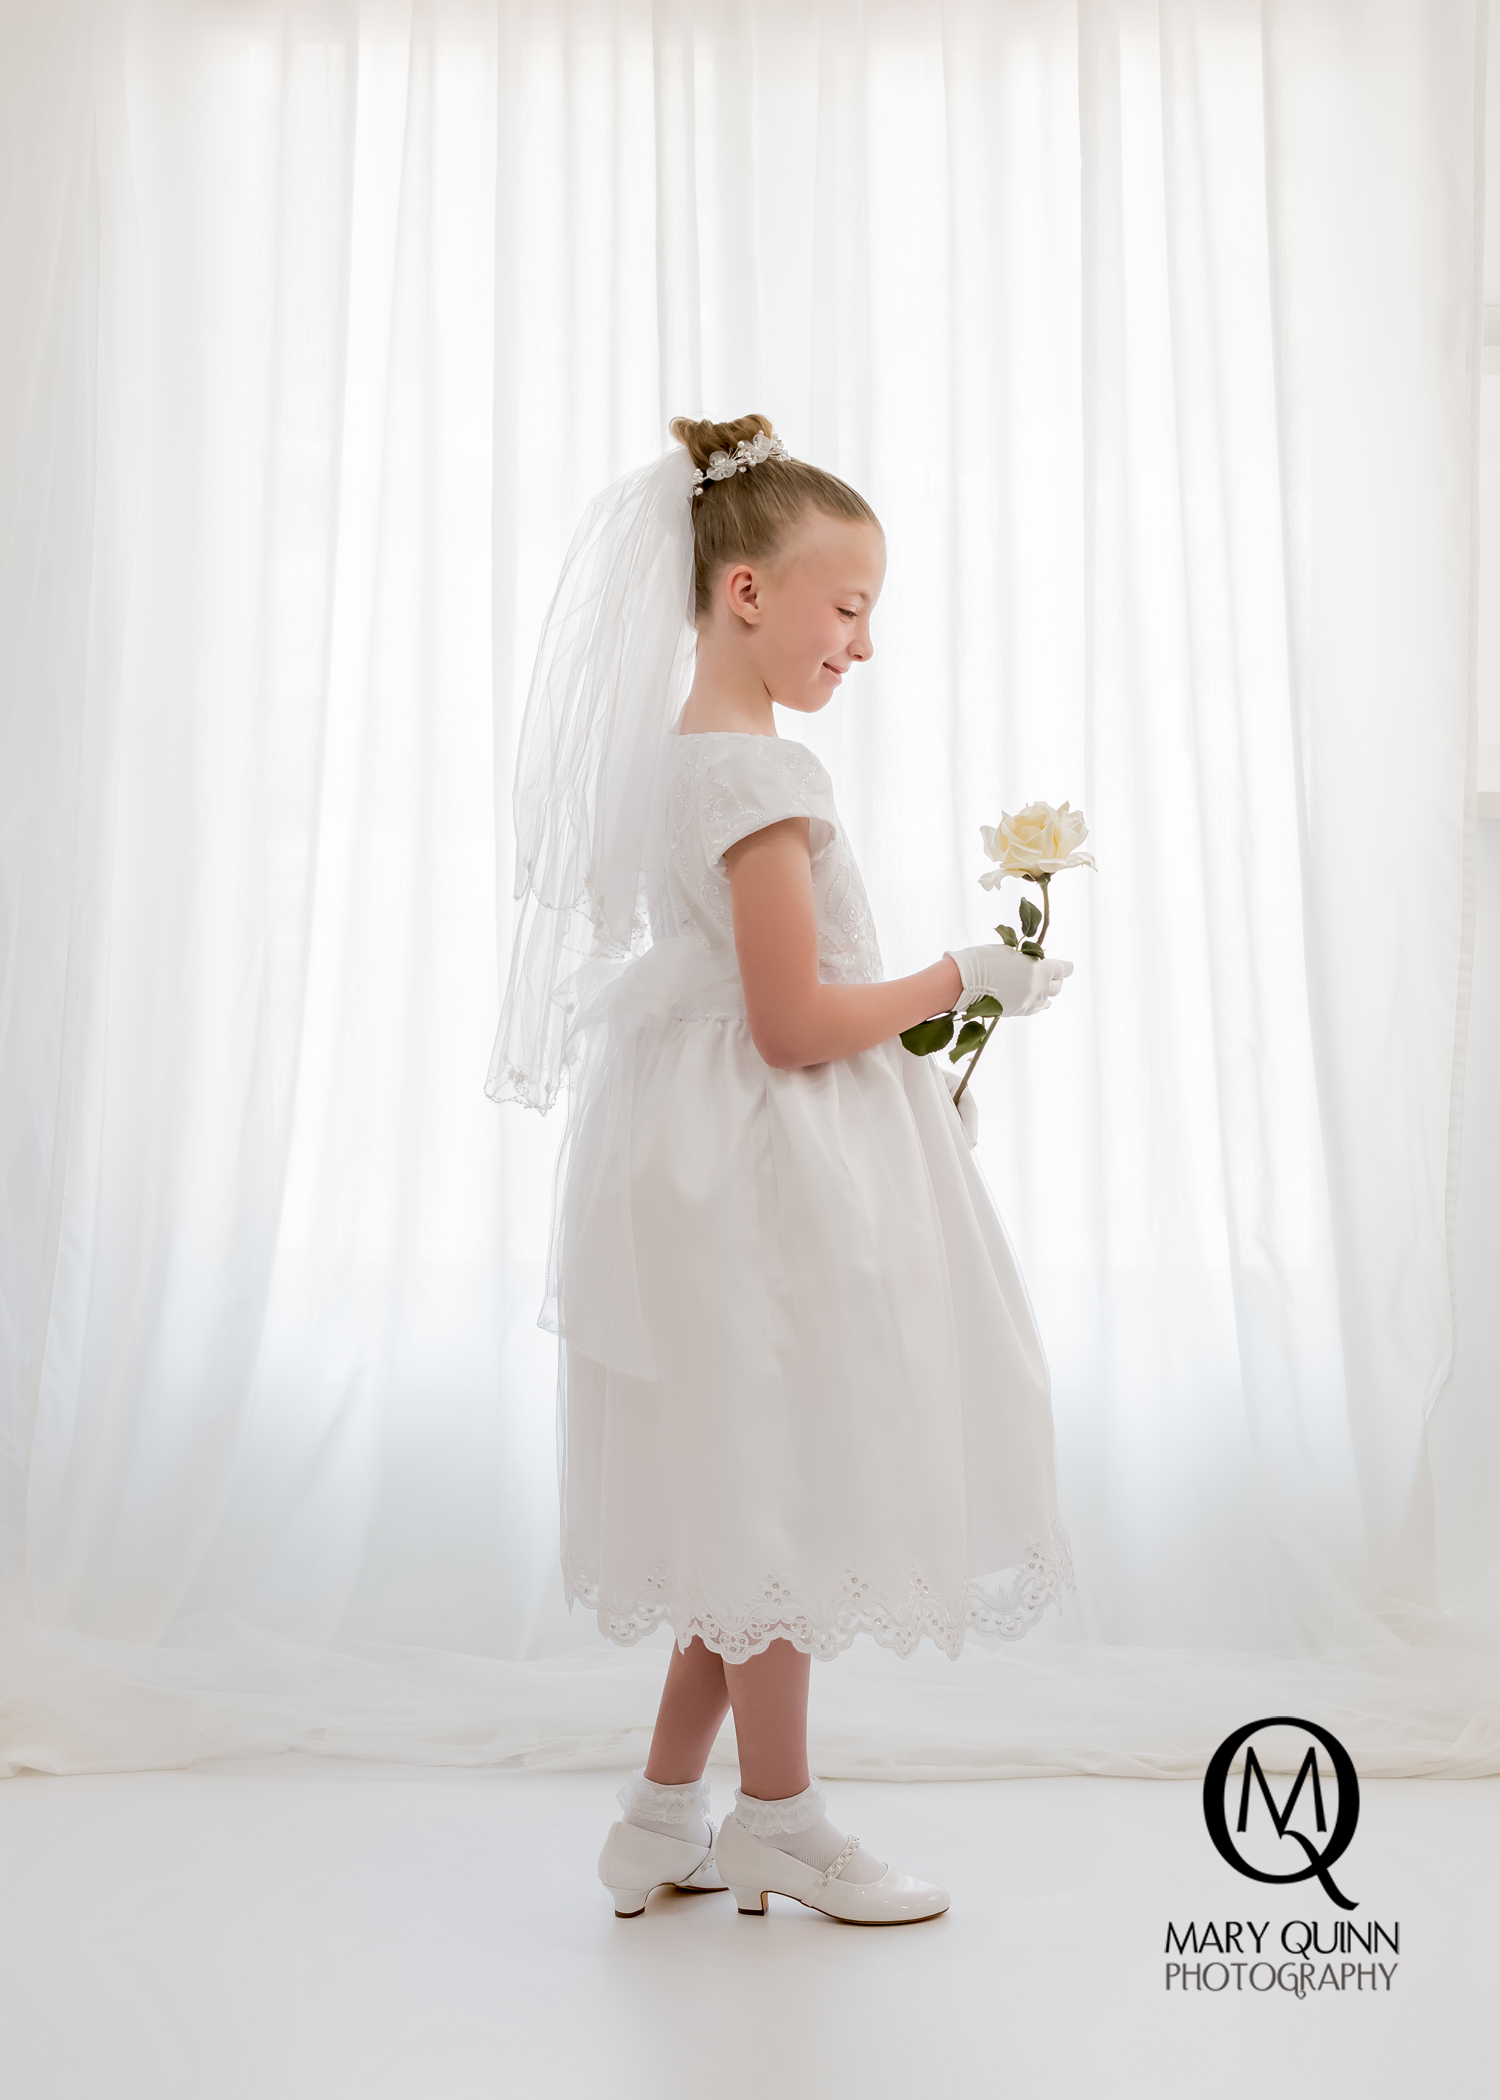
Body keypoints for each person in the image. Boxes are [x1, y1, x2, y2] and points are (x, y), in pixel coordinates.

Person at [488, 414, 1074, 1925]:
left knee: (738, 1493)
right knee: (781, 1502)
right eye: (849, 605)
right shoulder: (763, 780)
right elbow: (795, 1020)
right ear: (746, 594)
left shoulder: (687, 758)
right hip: (756, 1176)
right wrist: (959, 977)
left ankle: (660, 1815)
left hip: (690, 1159)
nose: (863, 643)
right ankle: (784, 1820)